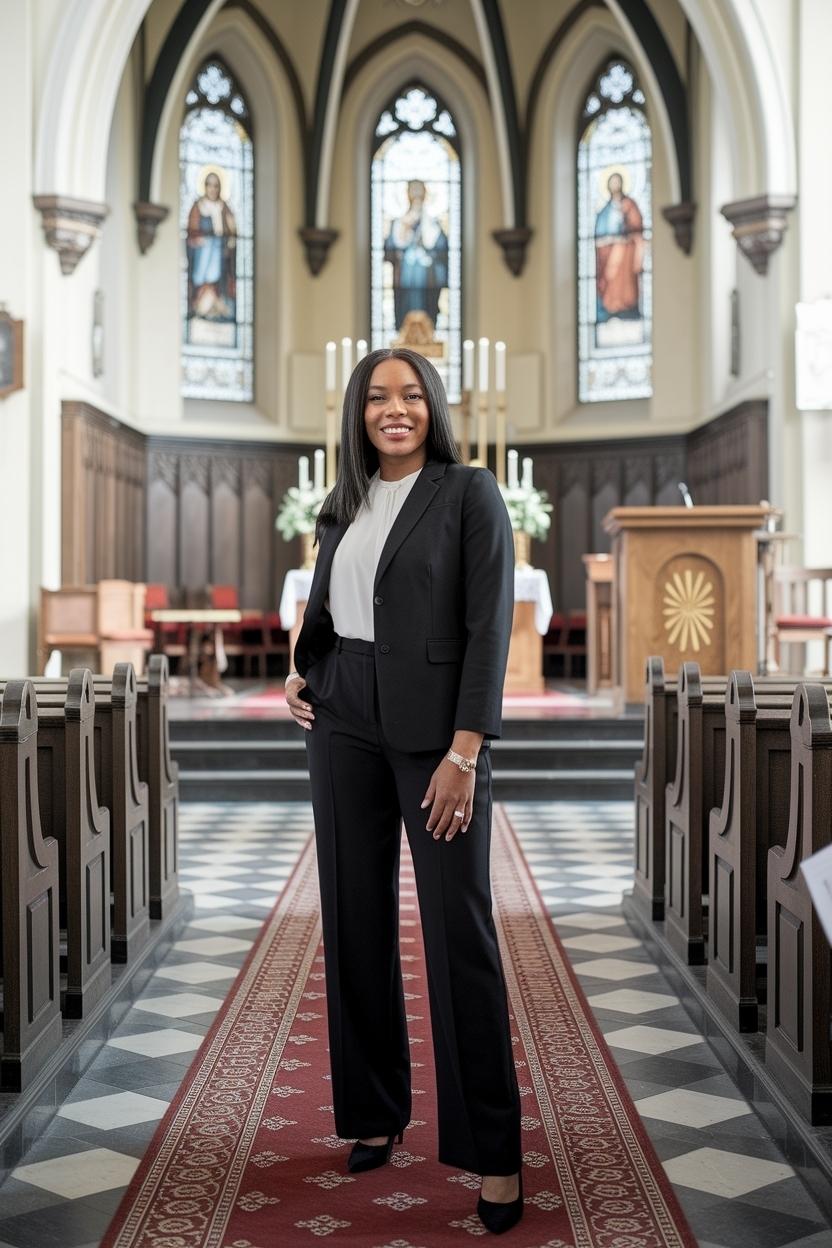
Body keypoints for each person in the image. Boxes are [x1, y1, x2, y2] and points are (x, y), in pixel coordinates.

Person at [285, 347, 522, 1234]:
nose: (395, 409)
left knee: (460, 932)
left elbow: (487, 627)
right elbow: (326, 607)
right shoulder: (339, 504)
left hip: (437, 740)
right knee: (353, 917)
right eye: (378, 396)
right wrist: (303, 672)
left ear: (433, 407)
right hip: (343, 718)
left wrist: (467, 750)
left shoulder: (469, 494)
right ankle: (376, 1111)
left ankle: (493, 1153)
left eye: (410, 394)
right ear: (358, 412)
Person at [384, 180, 449, 331]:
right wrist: (406, 225)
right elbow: (392, 248)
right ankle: (403, 329)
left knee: (425, 300)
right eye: (413, 192)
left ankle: (428, 330)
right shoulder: (399, 222)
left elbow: (440, 247)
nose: (416, 197)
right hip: (406, 272)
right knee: (406, 299)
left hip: (426, 273)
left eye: (420, 192)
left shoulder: (432, 223)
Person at [186, 169, 237, 323]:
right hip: (203, 252)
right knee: (203, 277)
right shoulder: (198, 206)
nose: (213, 189)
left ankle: (217, 303)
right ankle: (199, 306)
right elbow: (191, 231)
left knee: (216, 277)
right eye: (210, 186)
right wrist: (200, 239)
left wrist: (230, 240)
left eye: (216, 186)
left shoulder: (224, 207)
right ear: (205, 186)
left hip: (219, 252)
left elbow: (232, 229)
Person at [594, 171, 645, 322]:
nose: (615, 186)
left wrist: (624, 233)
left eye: (617, 182)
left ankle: (626, 308)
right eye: (612, 182)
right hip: (607, 250)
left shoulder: (629, 204)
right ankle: (610, 308)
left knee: (622, 280)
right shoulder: (605, 208)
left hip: (625, 249)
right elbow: (599, 230)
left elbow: (636, 227)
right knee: (609, 278)